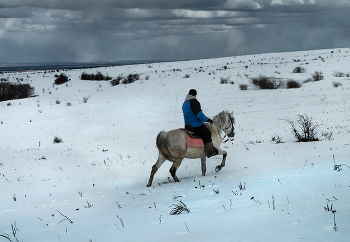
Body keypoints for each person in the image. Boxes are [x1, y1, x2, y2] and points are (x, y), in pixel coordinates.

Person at [182, 89, 218, 158]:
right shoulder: (194, 102)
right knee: (207, 132)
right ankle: (209, 151)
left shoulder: (184, 103)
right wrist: (208, 119)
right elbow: (199, 115)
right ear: (195, 95)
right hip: (195, 125)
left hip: (187, 125)